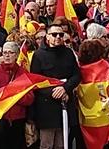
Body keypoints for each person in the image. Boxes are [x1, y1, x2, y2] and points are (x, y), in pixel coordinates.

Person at [27, 20, 80, 149]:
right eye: (55, 35)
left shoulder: (68, 53)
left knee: (62, 143)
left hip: (66, 101)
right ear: (48, 36)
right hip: (47, 105)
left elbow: (76, 75)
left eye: (61, 35)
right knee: (47, 143)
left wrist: (65, 89)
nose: (58, 38)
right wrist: (55, 92)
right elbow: (36, 80)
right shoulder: (38, 55)